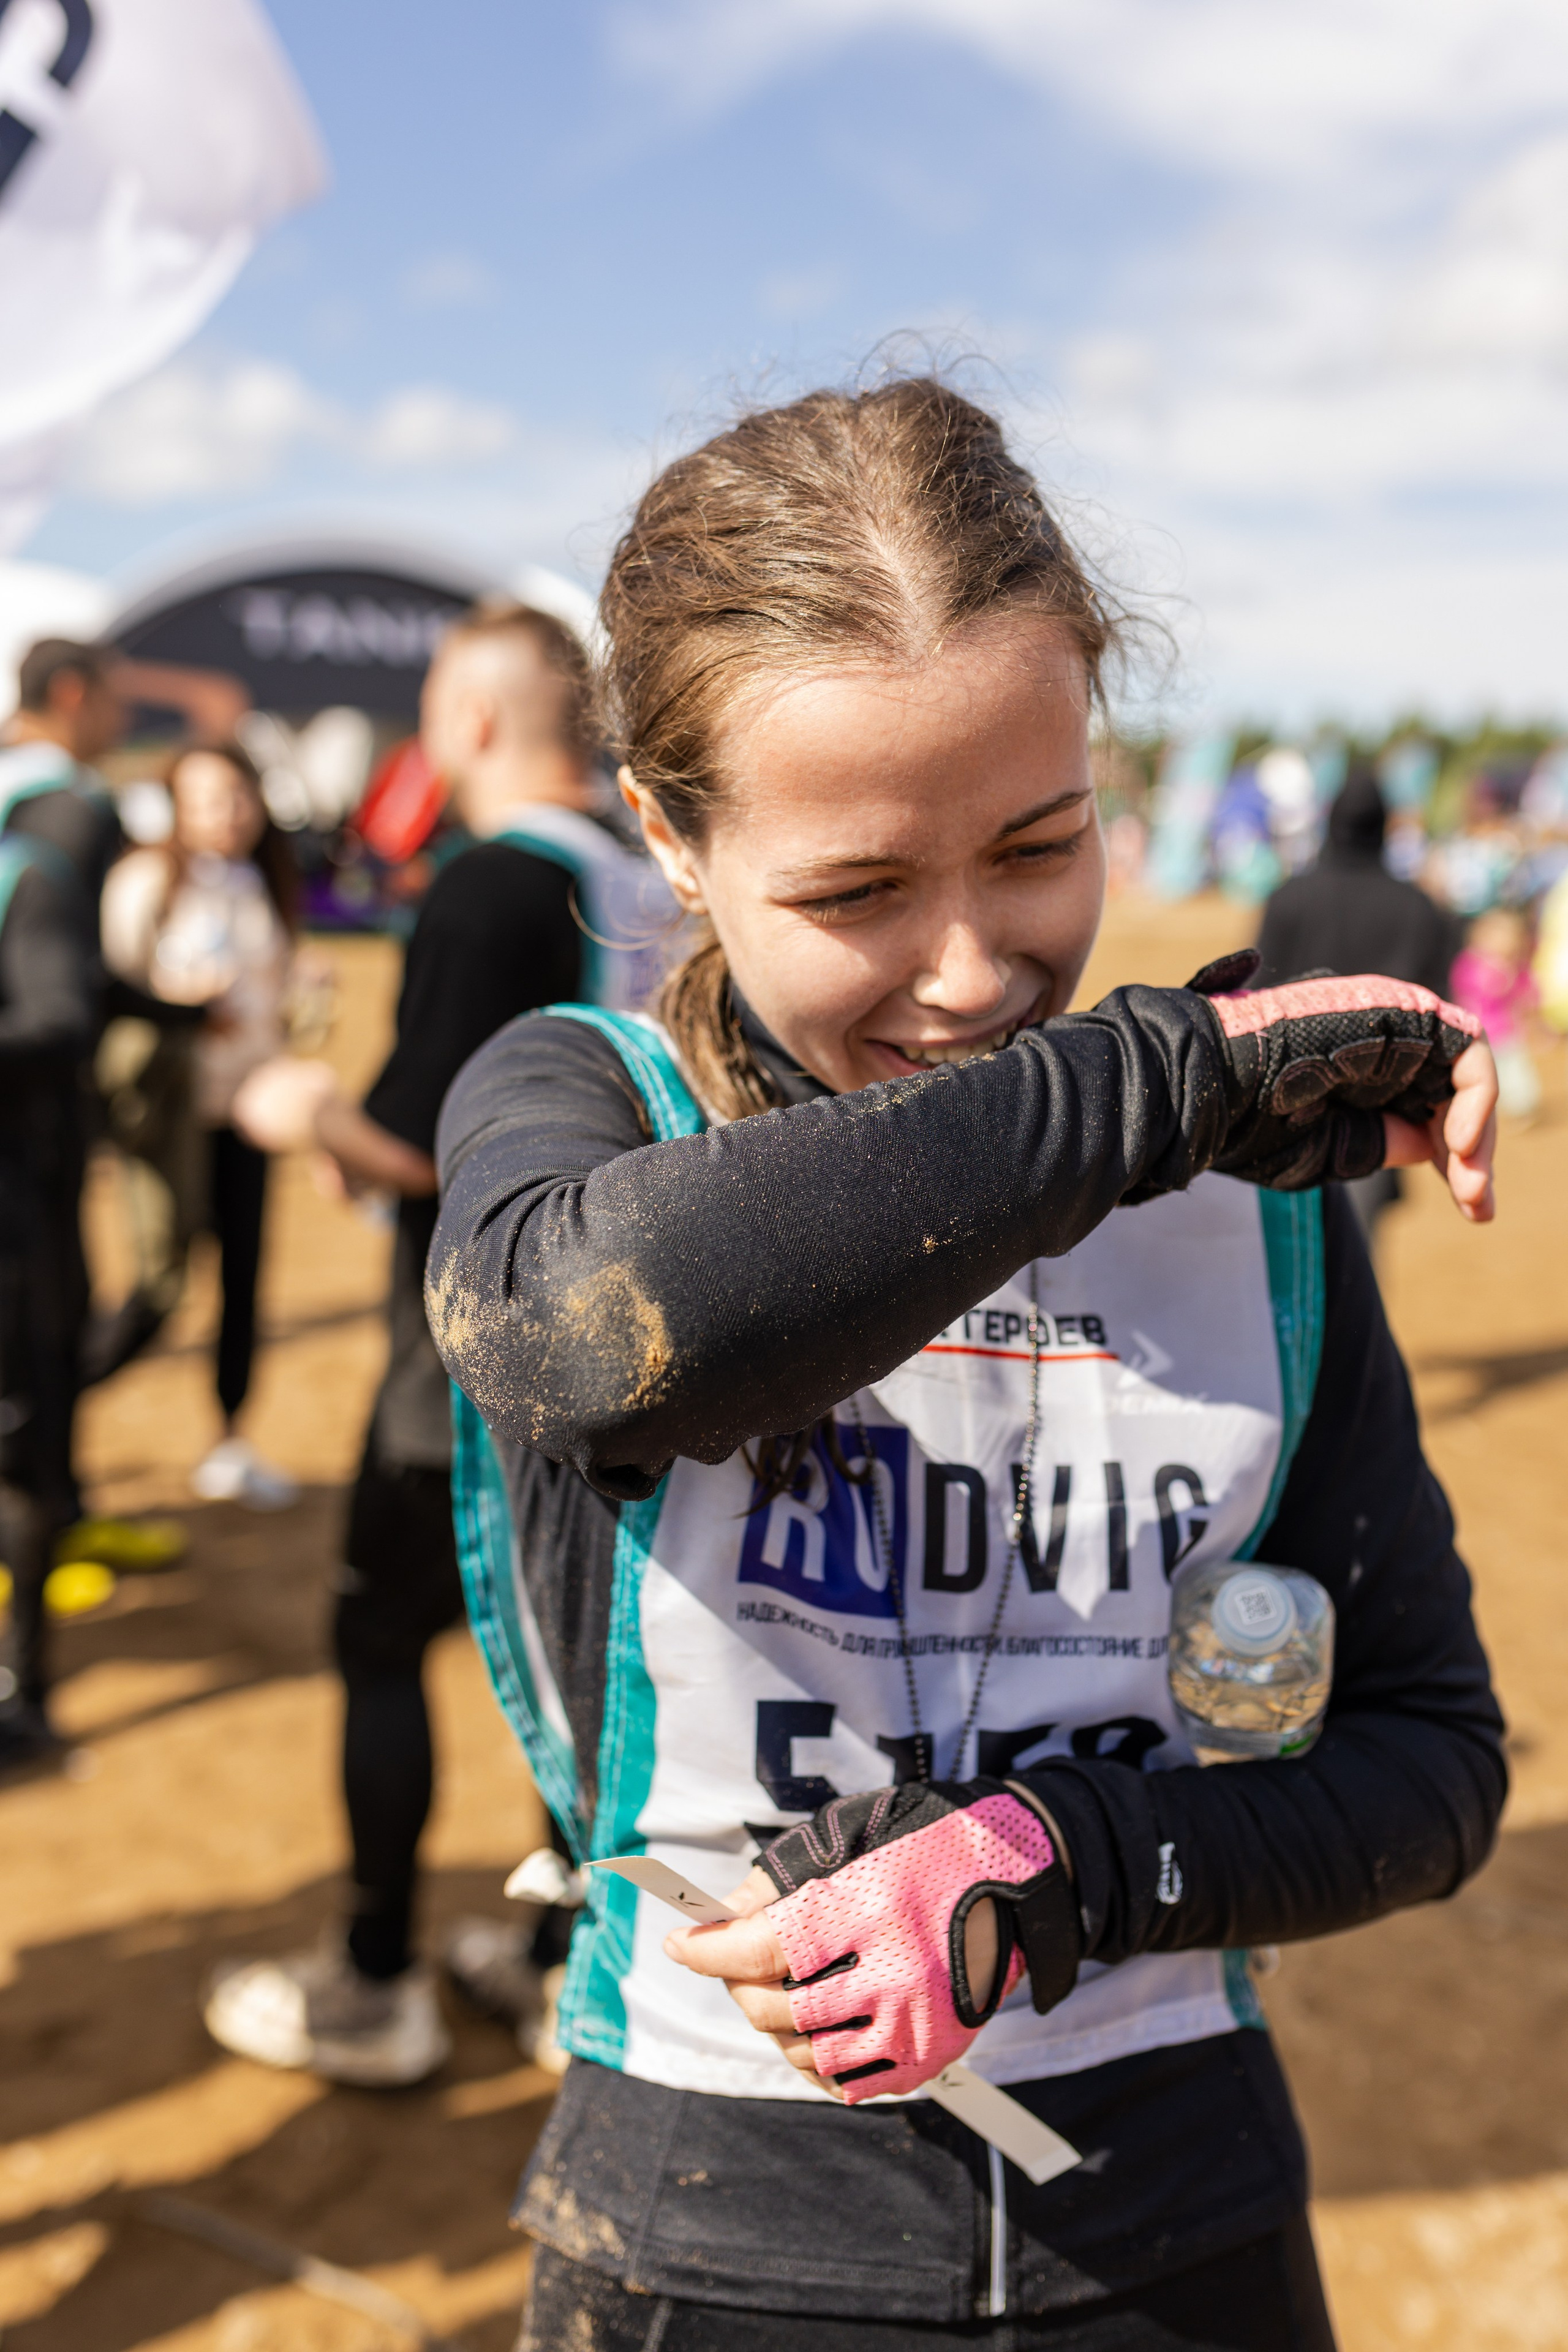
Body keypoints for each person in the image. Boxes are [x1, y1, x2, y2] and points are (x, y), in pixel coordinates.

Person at [429, 379, 1501, 2352]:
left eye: (1037, 843)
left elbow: (1429, 1767)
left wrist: (1061, 1859)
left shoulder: (1254, 1216)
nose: (964, 970)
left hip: (1169, 2202)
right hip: (714, 2214)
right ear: (667, 835)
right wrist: (1152, 1074)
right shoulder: (590, 1101)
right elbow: (588, 1341)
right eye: (851, 892)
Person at [202, 602, 671, 2086]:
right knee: (579, 1648)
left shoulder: (490, 883)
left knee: (378, 1632)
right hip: (656, 1319)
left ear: (466, 721)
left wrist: (297, 1107)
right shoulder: (646, 870)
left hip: (480, 1349)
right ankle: (558, 1961)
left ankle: (376, 1976)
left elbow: (416, 1139)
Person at [101, 742, 300, 1507]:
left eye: (239, 794)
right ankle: (44, 1412)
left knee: (243, 1279)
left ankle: (231, 1440)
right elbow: (118, 993)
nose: (228, 812)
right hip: (169, 1118)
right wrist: (186, 1012)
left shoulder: (265, 882)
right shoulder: (147, 878)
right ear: (176, 806)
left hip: (249, 1113)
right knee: (158, 1282)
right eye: (208, 797)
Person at [1257, 763, 1461, 1247]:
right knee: (1356, 1261)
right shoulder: (1420, 907)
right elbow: (1440, 1009)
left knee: (1292, 1257)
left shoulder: (1289, 898)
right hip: (1379, 1114)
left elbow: (1256, 998)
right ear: (1384, 824)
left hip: (1293, 1105)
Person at [0, 834, 98, 1769]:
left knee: (17, 1467)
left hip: (10, 1232)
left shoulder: (22, 877)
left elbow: (62, 1014)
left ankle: (18, 1695)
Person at [1450, 906, 1542, 1123]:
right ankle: (1488, 1106)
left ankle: (1521, 1106)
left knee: (1514, 1068)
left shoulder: (1515, 967)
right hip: (1479, 1032)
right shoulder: (1470, 963)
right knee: (1485, 1071)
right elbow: (1466, 986)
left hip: (1507, 1031)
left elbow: (1528, 990)